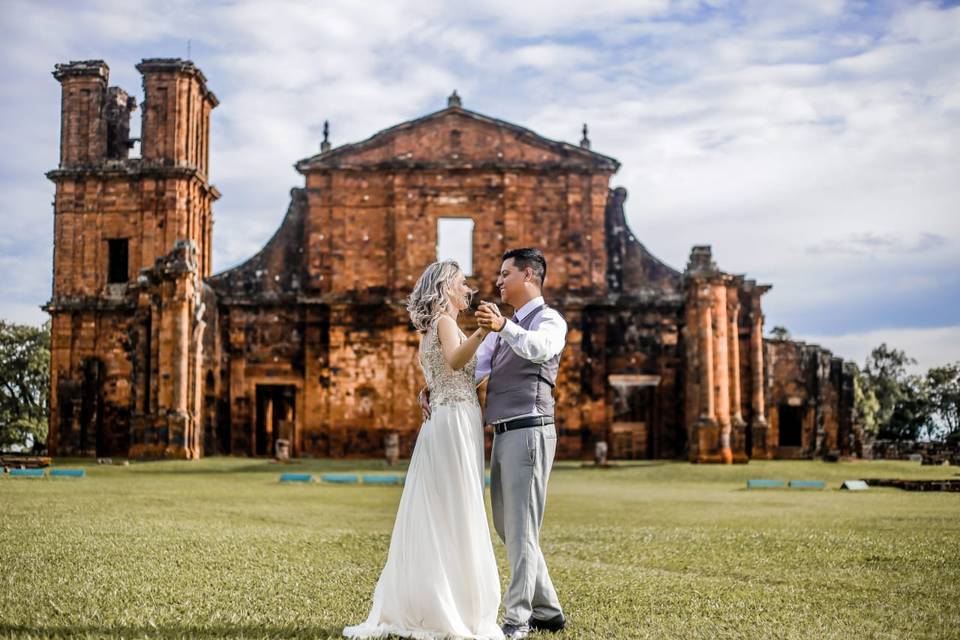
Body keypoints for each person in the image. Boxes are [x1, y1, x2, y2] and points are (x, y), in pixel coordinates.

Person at [343, 260, 504, 640]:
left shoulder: (432, 327)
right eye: (462, 284)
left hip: (446, 420)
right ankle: (454, 604)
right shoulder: (446, 323)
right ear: (447, 287)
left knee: (443, 507)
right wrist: (482, 333)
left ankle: (439, 596)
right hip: (453, 421)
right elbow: (455, 360)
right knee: (458, 505)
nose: (469, 290)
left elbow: (449, 372)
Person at [421, 248, 567, 640]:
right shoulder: (503, 326)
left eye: (505, 274)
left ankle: (518, 619)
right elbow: (474, 370)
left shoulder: (549, 320)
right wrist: (433, 389)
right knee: (508, 527)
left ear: (529, 276)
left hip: (531, 427)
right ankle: (549, 609)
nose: (498, 281)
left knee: (520, 529)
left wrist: (504, 328)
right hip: (501, 431)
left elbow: (541, 349)